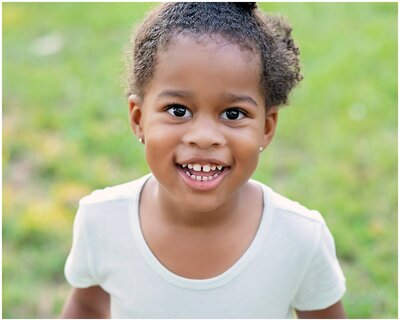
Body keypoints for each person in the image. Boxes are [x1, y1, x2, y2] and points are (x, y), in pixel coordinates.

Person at [61, 2, 347, 318]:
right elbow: (86, 307)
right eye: (178, 110)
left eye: (233, 113)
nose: (204, 136)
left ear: (266, 127)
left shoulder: (300, 238)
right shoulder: (101, 221)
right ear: (139, 118)